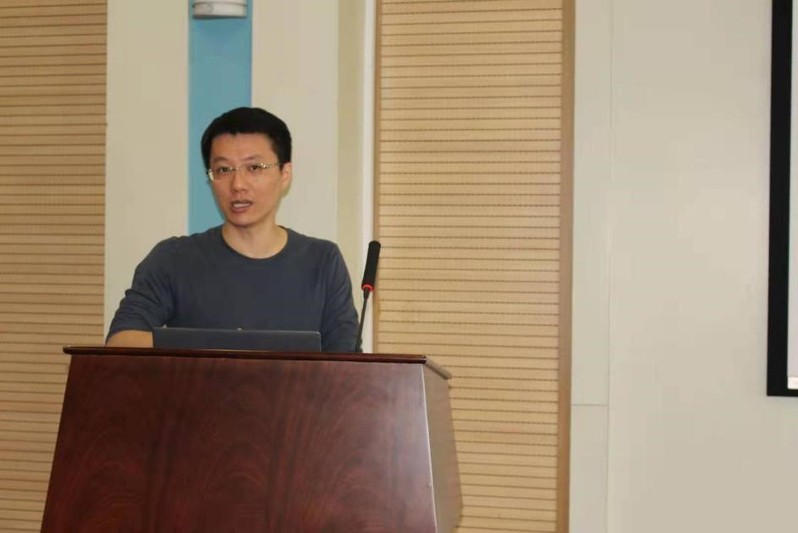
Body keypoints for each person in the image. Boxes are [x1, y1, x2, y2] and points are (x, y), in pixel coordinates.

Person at [106, 107, 359, 352]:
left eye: (254, 168)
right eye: (223, 170)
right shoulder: (173, 259)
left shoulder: (322, 261)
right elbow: (120, 342)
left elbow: (348, 367)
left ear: (285, 174)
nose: (237, 184)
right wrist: (220, 349)